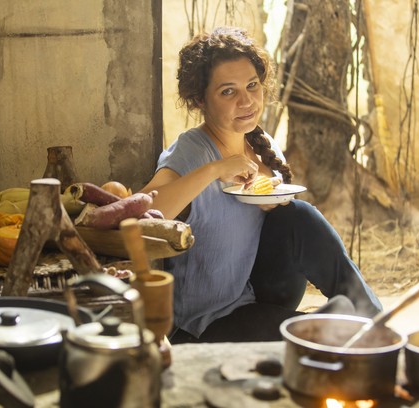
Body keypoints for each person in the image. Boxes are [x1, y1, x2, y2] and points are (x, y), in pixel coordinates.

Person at [140, 26, 382, 343]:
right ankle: (337, 323)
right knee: (320, 338)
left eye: (252, 85)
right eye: (228, 91)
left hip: (256, 295)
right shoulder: (192, 150)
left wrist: (274, 207)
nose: (247, 101)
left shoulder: (260, 144)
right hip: (204, 321)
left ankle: (372, 317)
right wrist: (215, 170)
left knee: (298, 215)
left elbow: (283, 232)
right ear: (201, 100)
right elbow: (141, 214)